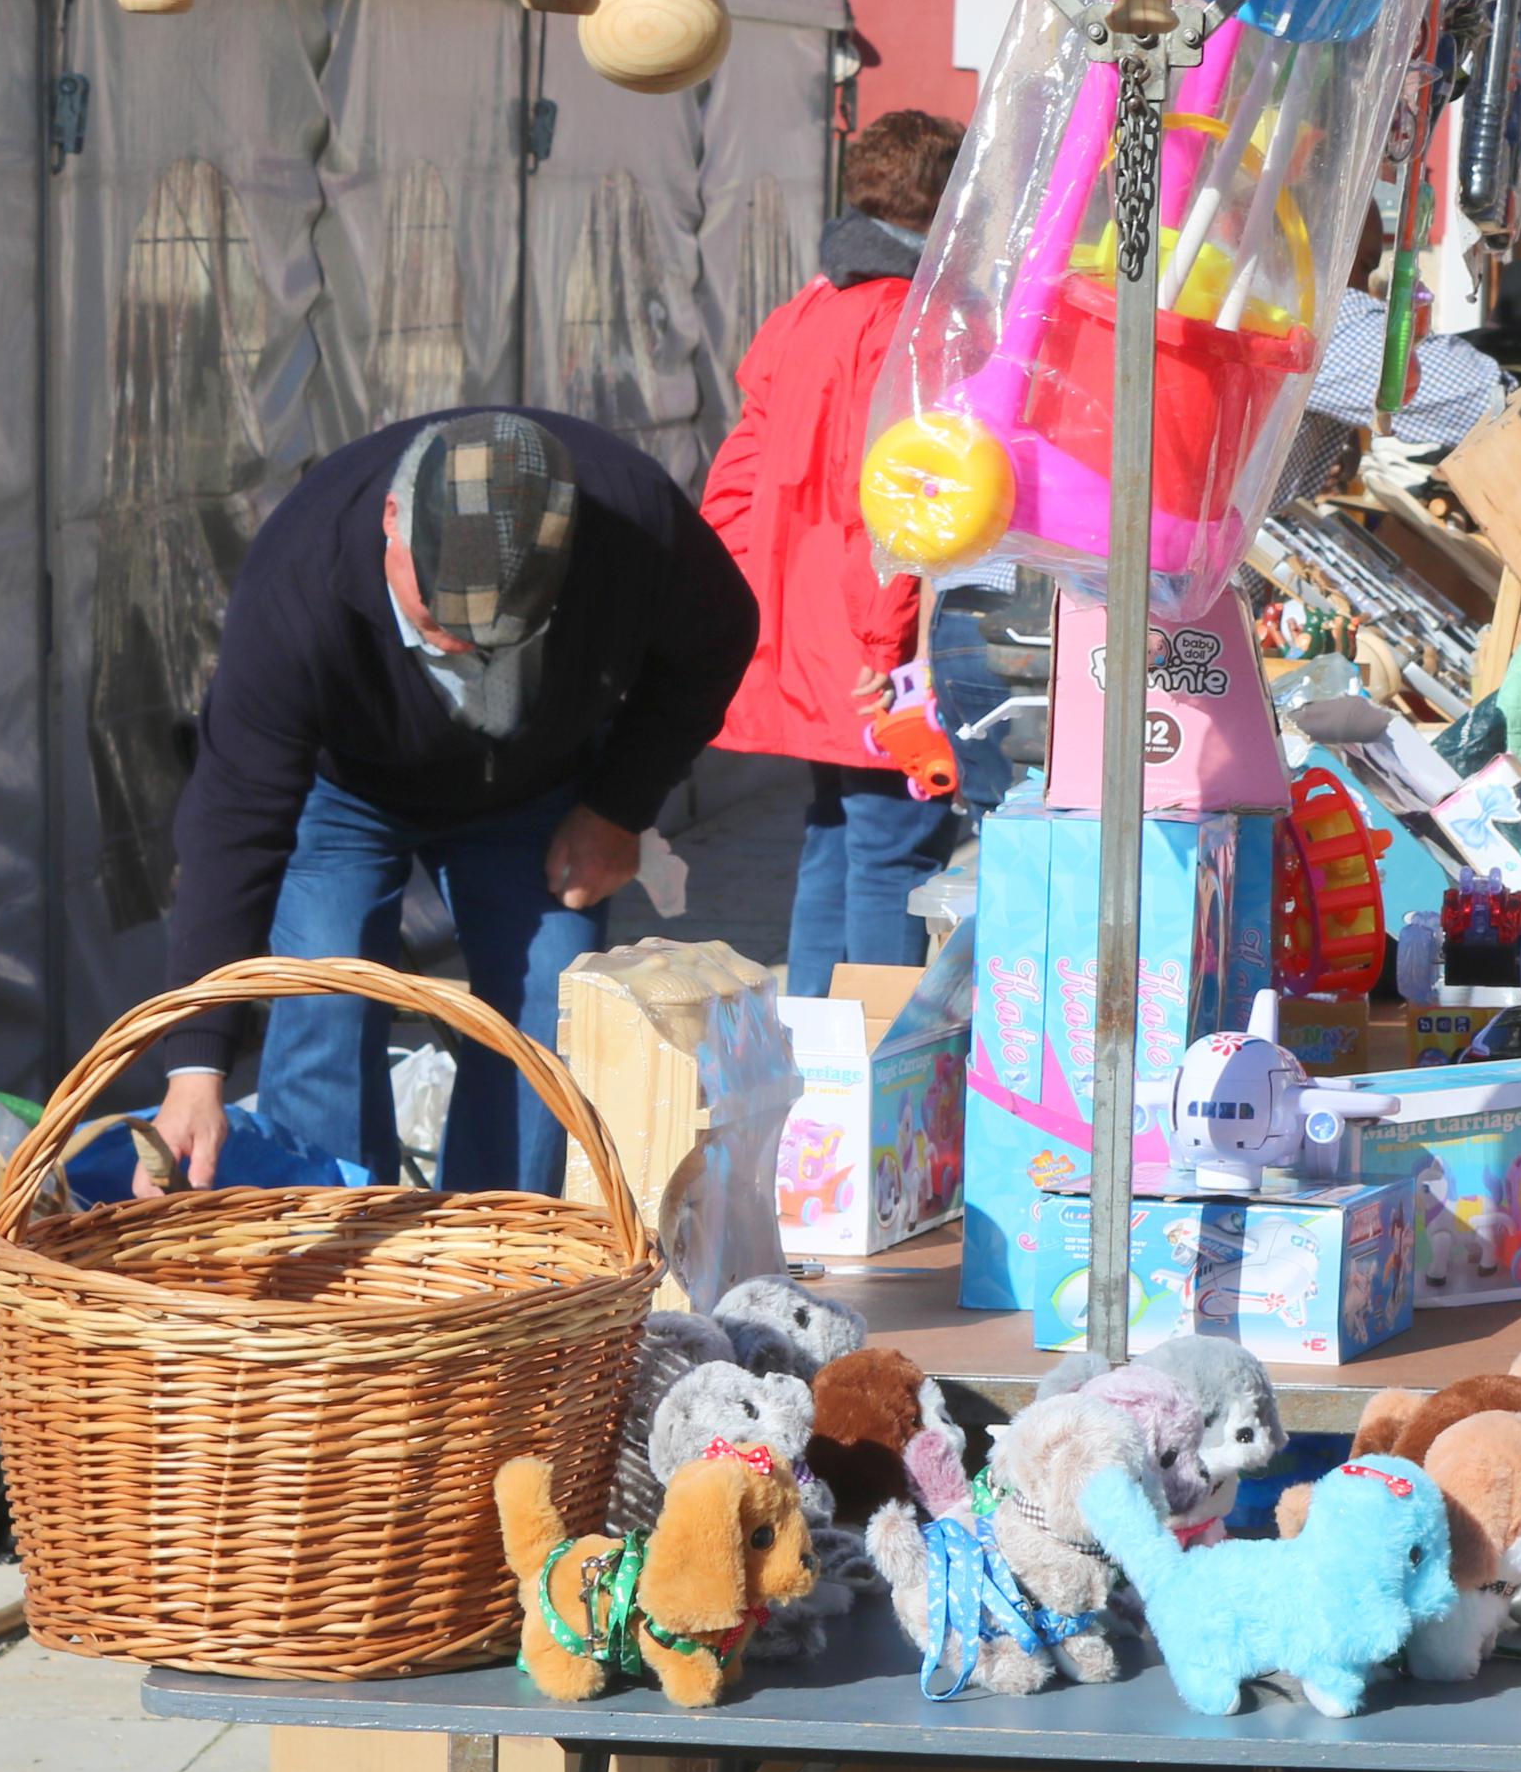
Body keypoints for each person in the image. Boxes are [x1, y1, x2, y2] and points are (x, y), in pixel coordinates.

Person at [154, 409, 759, 1194]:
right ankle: (337, 1256)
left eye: (496, 635)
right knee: (323, 994)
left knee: (549, 1001)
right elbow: (232, 821)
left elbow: (719, 638)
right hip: (350, 789)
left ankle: (492, 1259)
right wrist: (194, 1062)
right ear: (391, 523)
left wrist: (619, 805)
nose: (457, 649)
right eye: (435, 620)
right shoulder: (298, 581)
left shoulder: (631, 521)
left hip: (532, 784)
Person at [703, 110, 966, 999]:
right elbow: (906, 508)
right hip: (866, 629)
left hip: (806, 624)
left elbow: (734, 479)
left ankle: (814, 1054)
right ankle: (874, 1071)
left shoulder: (810, 304)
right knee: (890, 847)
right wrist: (891, 651)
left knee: (835, 833)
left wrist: (755, 614)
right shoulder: (911, 320)